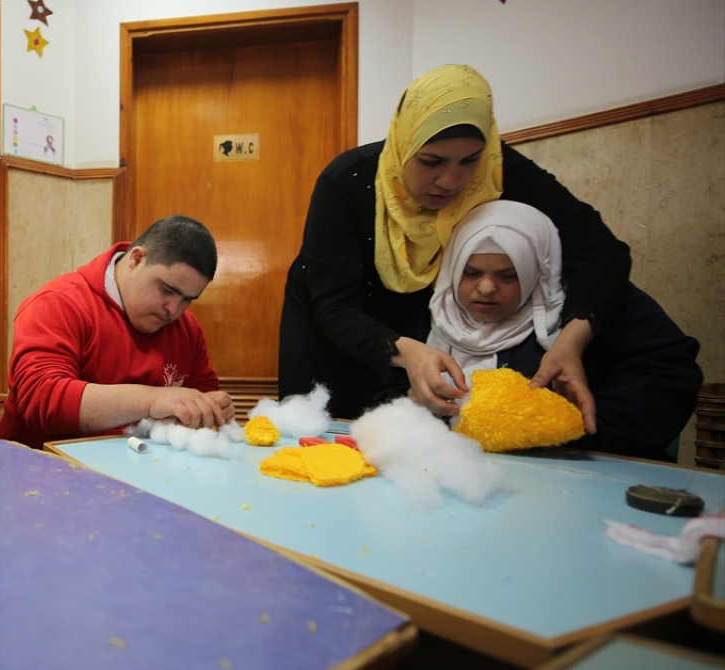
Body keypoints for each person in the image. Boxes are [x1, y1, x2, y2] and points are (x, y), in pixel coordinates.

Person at [278, 64, 631, 429]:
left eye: (469, 161)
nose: (450, 180)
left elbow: (601, 251)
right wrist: (407, 353)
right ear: (404, 142)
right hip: (339, 324)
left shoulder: (497, 169)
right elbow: (335, 306)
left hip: (421, 323)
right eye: (431, 161)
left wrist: (570, 342)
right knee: (330, 433)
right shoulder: (346, 181)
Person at [422, 200, 701, 461]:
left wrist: (568, 426)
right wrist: (421, 403)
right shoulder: (436, 316)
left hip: (585, 472)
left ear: (537, 271)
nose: (486, 289)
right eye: (471, 273)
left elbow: (668, 379)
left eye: (509, 275)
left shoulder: (597, 304)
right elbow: (393, 387)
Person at [0, 215, 233, 449]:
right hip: (42, 472)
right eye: (166, 290)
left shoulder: (187, 328)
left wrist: (210, 407)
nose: (173, 309)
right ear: (137, 259)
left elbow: (202, 392)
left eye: (187, 300)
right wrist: (152, 399)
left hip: (144, 471)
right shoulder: (57, 303)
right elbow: (43, 400)